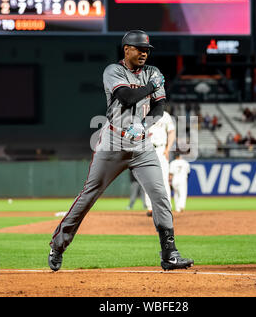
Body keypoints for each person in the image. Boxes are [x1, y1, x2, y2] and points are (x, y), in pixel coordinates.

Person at [48, 30, 194, 272]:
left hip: (142, 145)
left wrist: (144, 125)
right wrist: (150, 87)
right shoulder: (113, 71)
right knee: (89, 195)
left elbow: (159, 108)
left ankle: (169, 254)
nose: (144, 53)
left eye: (147, 50)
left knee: (160, 197)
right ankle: (58, 245)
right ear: (126, 49)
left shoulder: (153, 72)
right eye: (139, 49)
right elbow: (126, 96)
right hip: (113, 143)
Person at [144, 111, 176, 217]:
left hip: (161, 149)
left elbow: (172, 132)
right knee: (147, 179)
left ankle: (167, 207)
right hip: (146, 150)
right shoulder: (143, 113)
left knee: (164, 180)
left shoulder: (165, 115)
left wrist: (168, 149)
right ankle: (150, 208)